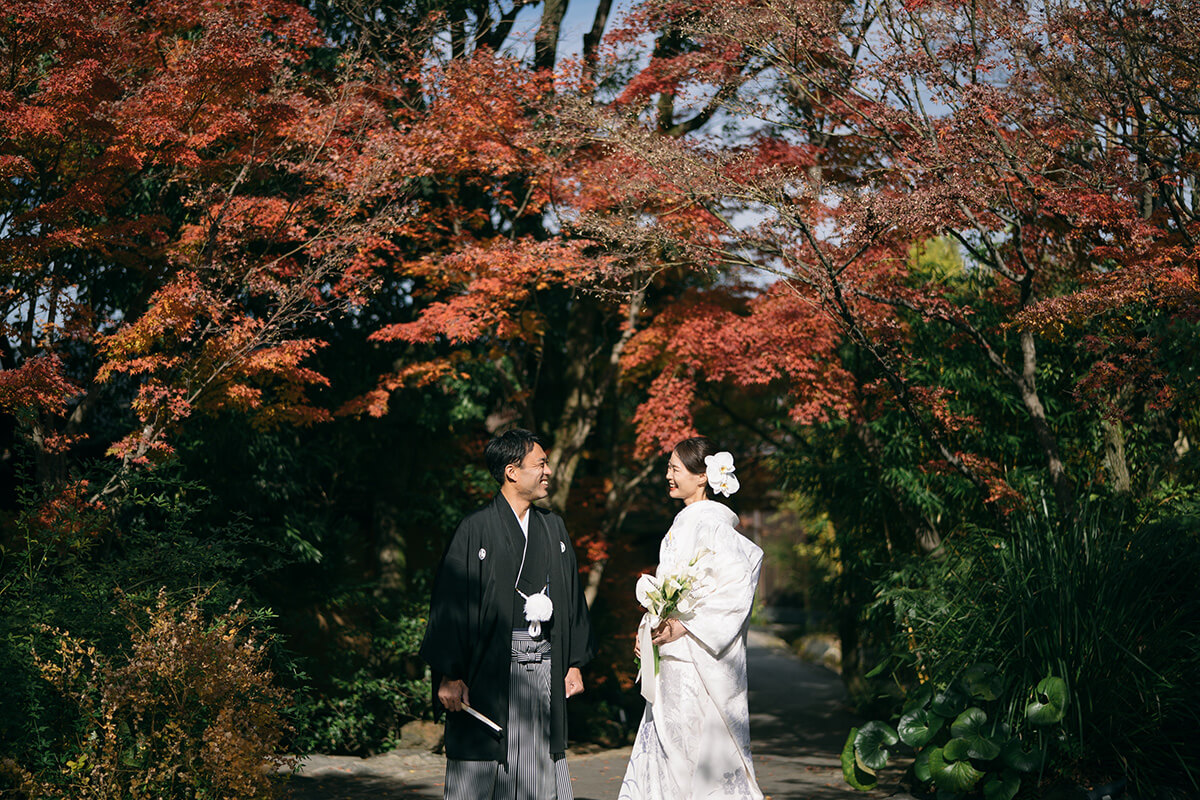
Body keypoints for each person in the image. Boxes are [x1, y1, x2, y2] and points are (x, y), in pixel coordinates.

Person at [420, 429, 594, 800]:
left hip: (544, 670)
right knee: (483, 769)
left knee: (537, 773)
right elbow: (451, 603)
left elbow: (573, 601)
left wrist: (575, 662)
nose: (548, 471)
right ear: (512, 472)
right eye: (541, 464)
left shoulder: (554, 528)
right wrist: (450, 673)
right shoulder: (475, 529)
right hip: (488, 672)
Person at [619, 436, 765, 800]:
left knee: (690, 750)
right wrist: (652, 628)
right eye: (668, 468)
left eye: (674, 468)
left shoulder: (712, 524)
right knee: (669, 747)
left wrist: (682, 625)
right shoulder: (685, 522)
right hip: (673, 656)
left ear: (702, 477)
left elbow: (735, 589)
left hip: (695, 658)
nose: (667, 475)